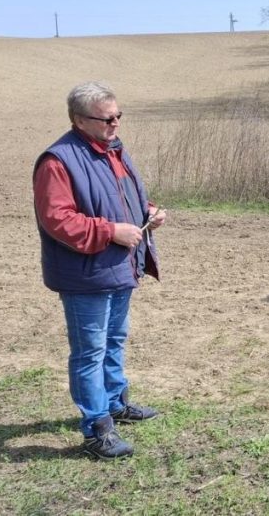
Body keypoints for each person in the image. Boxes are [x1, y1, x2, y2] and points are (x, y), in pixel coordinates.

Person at [33, 81, 166, 459]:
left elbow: (124, 198)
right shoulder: (57, 162)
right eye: (107, 118)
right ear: (79, 119)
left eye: (118, 116)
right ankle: (96, 429)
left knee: (114, 340)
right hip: (85, 274)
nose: (115, 123)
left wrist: (148, 212)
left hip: (119, 266)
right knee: (90, 352)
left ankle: (115, 403)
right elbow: (57, 220)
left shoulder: (113, 150)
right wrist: (111, 232)